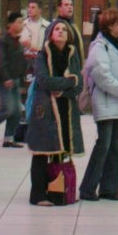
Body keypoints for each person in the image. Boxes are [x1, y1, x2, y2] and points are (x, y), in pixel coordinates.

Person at [27, 17, 90, 205]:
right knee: (41, 152)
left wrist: (63, 89)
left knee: (60, 152)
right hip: (45, 109)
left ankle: (57, 192)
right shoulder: (42, 55)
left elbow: (78, 85)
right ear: (51, 34)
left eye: (64, 29)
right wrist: (69, 81)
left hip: (66, 109)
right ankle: (38, 195)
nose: (61, 31)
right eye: (57, 29)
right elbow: (44, 81)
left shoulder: (73, 54)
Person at [81, 9, 118, 201]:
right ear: (111, 26)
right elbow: (103, 77)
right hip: (104, 102)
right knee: (103, 144)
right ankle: (88, 188)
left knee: (113, 144)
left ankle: (109, 188)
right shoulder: (99, 47)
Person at [0, 12, 27, 146]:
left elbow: (21, 62)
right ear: (10, 25)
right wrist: (6, 78)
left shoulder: (18, 42)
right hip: (4, 80)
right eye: (19, 22)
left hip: (16, 80)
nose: (22, 25)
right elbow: (0, 60)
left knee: (17, 112)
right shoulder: (2, 41)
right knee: (7, 108)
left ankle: (9, 139)